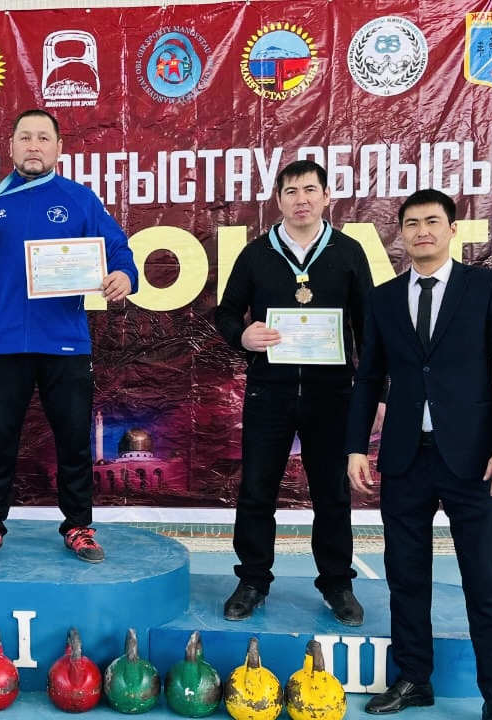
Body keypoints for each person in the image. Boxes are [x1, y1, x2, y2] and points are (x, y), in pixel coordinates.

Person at [345, 189, 492, 720]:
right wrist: (355, 446)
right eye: (411, 223)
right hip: (405, 458)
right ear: (401, 233)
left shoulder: (488, 287)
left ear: (452, 229)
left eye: (432, 221)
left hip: (475, 459)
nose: (421, 231)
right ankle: (413, 679)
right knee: (406, 577)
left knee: (486, 581)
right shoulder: (384, 298)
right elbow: (368, 378)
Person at [0, 108, 138, 564]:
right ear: (11, 146)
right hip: (6, 343)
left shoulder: (80, 199)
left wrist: (124, 275)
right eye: (25, 138)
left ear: (59, 148)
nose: (34, 146)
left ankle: (79, 527)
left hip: (65, 343)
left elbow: (119, 249)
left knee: (73, 440)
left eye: (43, 138)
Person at [214, 159, 372, 625]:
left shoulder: (348, 252)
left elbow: (368, 327)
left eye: (310, 190)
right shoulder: (257, 254)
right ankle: (252, 581)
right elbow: (226, 312)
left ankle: (337, 584)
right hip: (270, 391)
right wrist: (241, 336)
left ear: (326, 196)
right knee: (257, 490)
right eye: (291, 191)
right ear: (278, 200)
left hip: (333, 395)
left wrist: (375, 393)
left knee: (332, 493)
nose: (301, 199)